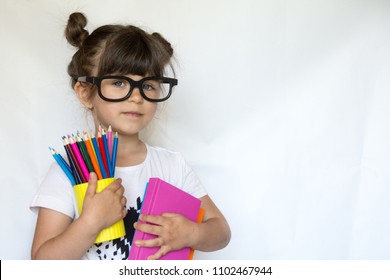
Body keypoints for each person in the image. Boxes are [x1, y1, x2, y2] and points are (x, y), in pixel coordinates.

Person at [30, 12, 231, 260]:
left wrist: (192, 233)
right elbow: (41, 264)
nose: (137, 96)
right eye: (119, 83)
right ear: (85, 93)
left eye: (148, 85)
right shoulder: (69, 171)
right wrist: (90, 222)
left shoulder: (172, 165)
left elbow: (221, 231)